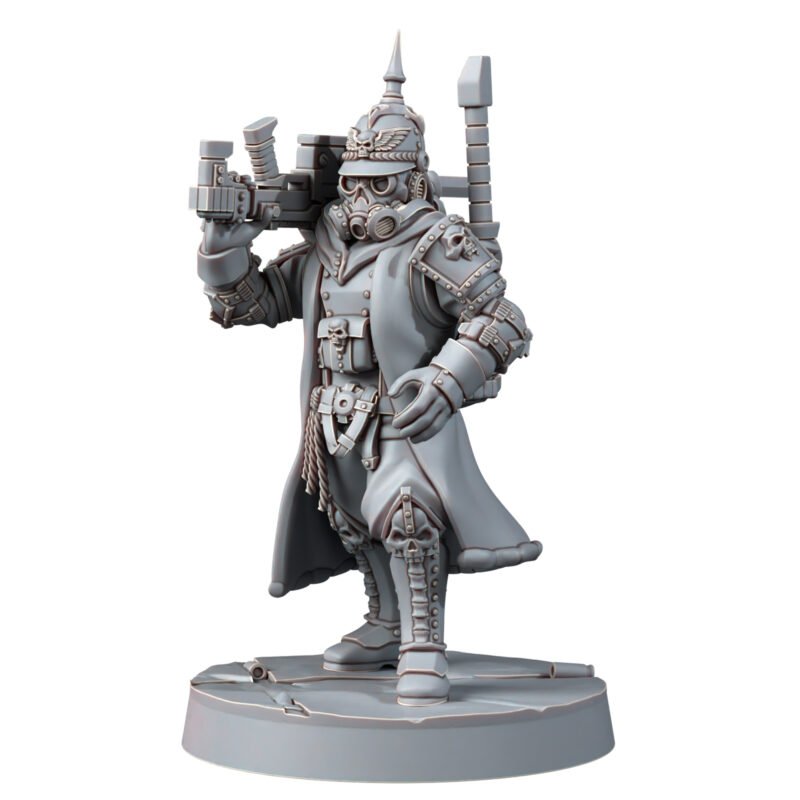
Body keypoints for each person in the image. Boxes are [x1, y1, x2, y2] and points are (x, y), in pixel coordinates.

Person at [195, 38, 540, 706]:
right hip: (332, 420)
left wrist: (447, 378)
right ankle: (386, 622)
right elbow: (251, 304)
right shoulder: (326, 248)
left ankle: (423, 644)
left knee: (408, 516)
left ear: (413, 184)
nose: (361, 199)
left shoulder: (435, 244)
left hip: (403, 415)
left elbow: (502, 318)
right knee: (353, 521)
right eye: (352, 183)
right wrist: (221, 253)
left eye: (378, 184)